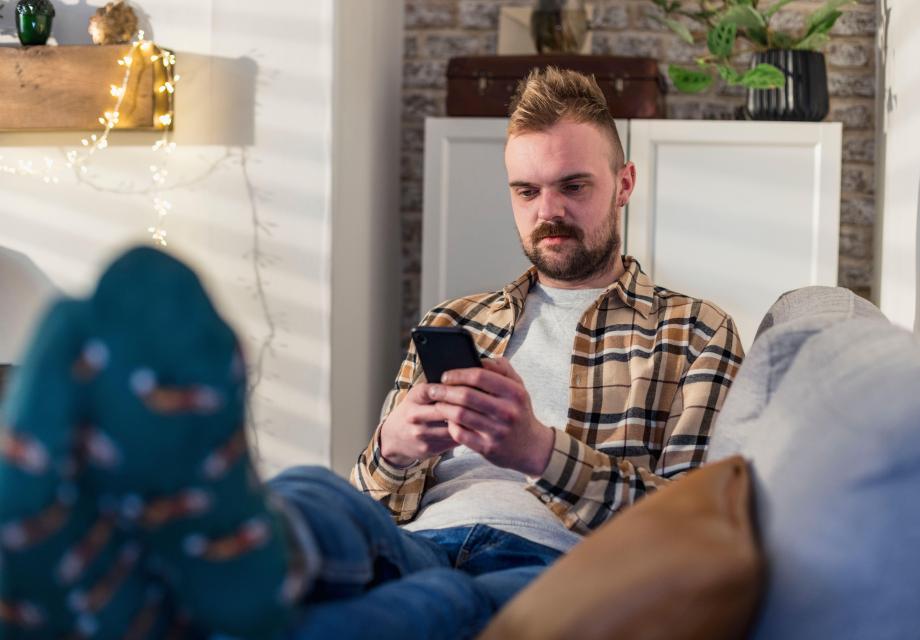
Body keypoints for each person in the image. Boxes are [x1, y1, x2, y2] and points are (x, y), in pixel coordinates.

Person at [0, 68, 743, 640]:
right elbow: (371, 496)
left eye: (573, 186)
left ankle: (135, 590)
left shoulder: (695, 332)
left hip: (549, 564)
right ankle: (219, 557)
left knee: (443, 603)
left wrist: (538, 451)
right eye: (526, 190)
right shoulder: (459, 318)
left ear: (623, 184)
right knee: (319, 493)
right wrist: (392, 448)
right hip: (413, 535)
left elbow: (682, 530)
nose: (547, 211)